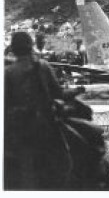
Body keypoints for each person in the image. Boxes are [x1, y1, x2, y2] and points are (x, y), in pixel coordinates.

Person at [3, 32, 72, 190]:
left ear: (13, 48)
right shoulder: (43, 66)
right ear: (31, 46)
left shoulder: (8, 73)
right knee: (62, 163)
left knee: (27, 171)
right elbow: (58, 93)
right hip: (46, 126)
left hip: (21, 129)